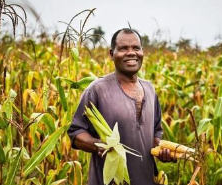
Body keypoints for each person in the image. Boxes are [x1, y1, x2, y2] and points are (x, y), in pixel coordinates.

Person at [67, 28, 176, 185]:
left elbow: (155, 133)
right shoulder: (97, 89)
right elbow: (76, 133)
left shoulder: (150, 89)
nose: (131, 53)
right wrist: (99, 146)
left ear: (142, 52)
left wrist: (162, 151)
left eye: (136, 48)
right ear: (112, 54)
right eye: (123, 48)